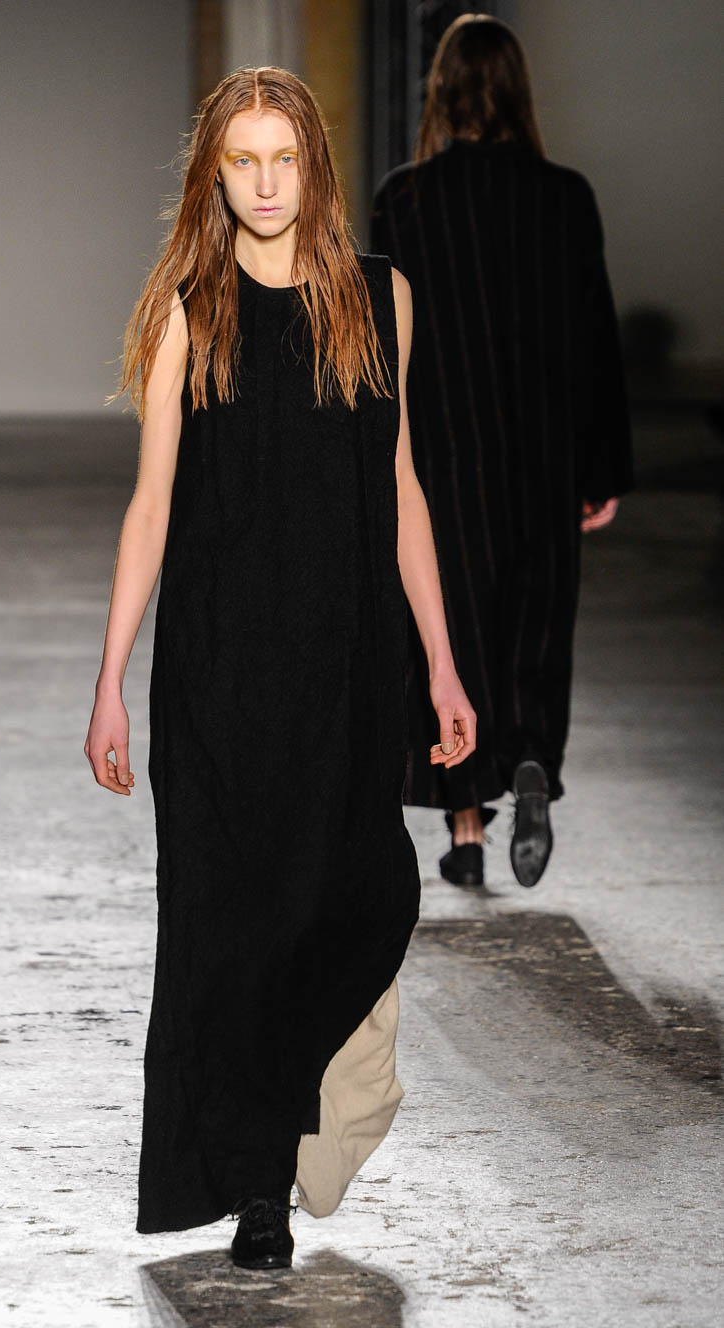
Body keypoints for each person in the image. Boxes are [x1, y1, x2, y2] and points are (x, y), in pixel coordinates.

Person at [84, 67, 476, 1267]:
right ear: (214, 171)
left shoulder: (378, 297)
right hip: (218, 674)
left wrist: (443, 665)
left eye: (284, 158)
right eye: (241, 160)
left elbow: (399, 486)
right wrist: (108, 679)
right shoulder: (188, 311)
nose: (264, 183)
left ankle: (307, 1116)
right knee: (229, 928)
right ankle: (259, 1186)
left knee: (355, 895)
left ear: (314, 164)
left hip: (347, 669)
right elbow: (151, 506)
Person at [370, 14, 633, 890]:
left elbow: (384, 344)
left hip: (447, 457)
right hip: (544, 456)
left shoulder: (405, 199)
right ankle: (528, 761)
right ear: (521, 92)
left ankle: (466, 831)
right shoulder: (565, 197)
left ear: (439, 93)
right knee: (535, 626)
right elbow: (595, 340)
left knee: (453, 635)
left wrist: (377, 461)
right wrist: (602, 468)